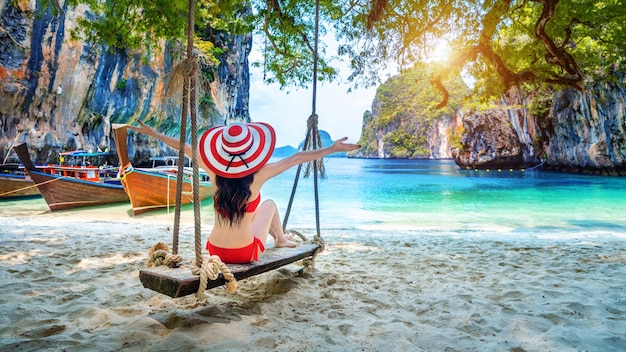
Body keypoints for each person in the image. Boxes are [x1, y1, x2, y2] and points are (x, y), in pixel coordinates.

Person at [128, 120, 361, 264]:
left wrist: (154, 134)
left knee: (249, 215)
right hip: (243, 253)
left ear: (223, 152)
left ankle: (281, 237)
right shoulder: (258, 176)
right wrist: (331, 149)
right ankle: (280, 239)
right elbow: (298, 157)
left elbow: (184, 147)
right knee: (267, 205)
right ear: (252, 152)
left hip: (213, 250)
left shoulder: (214, 174)